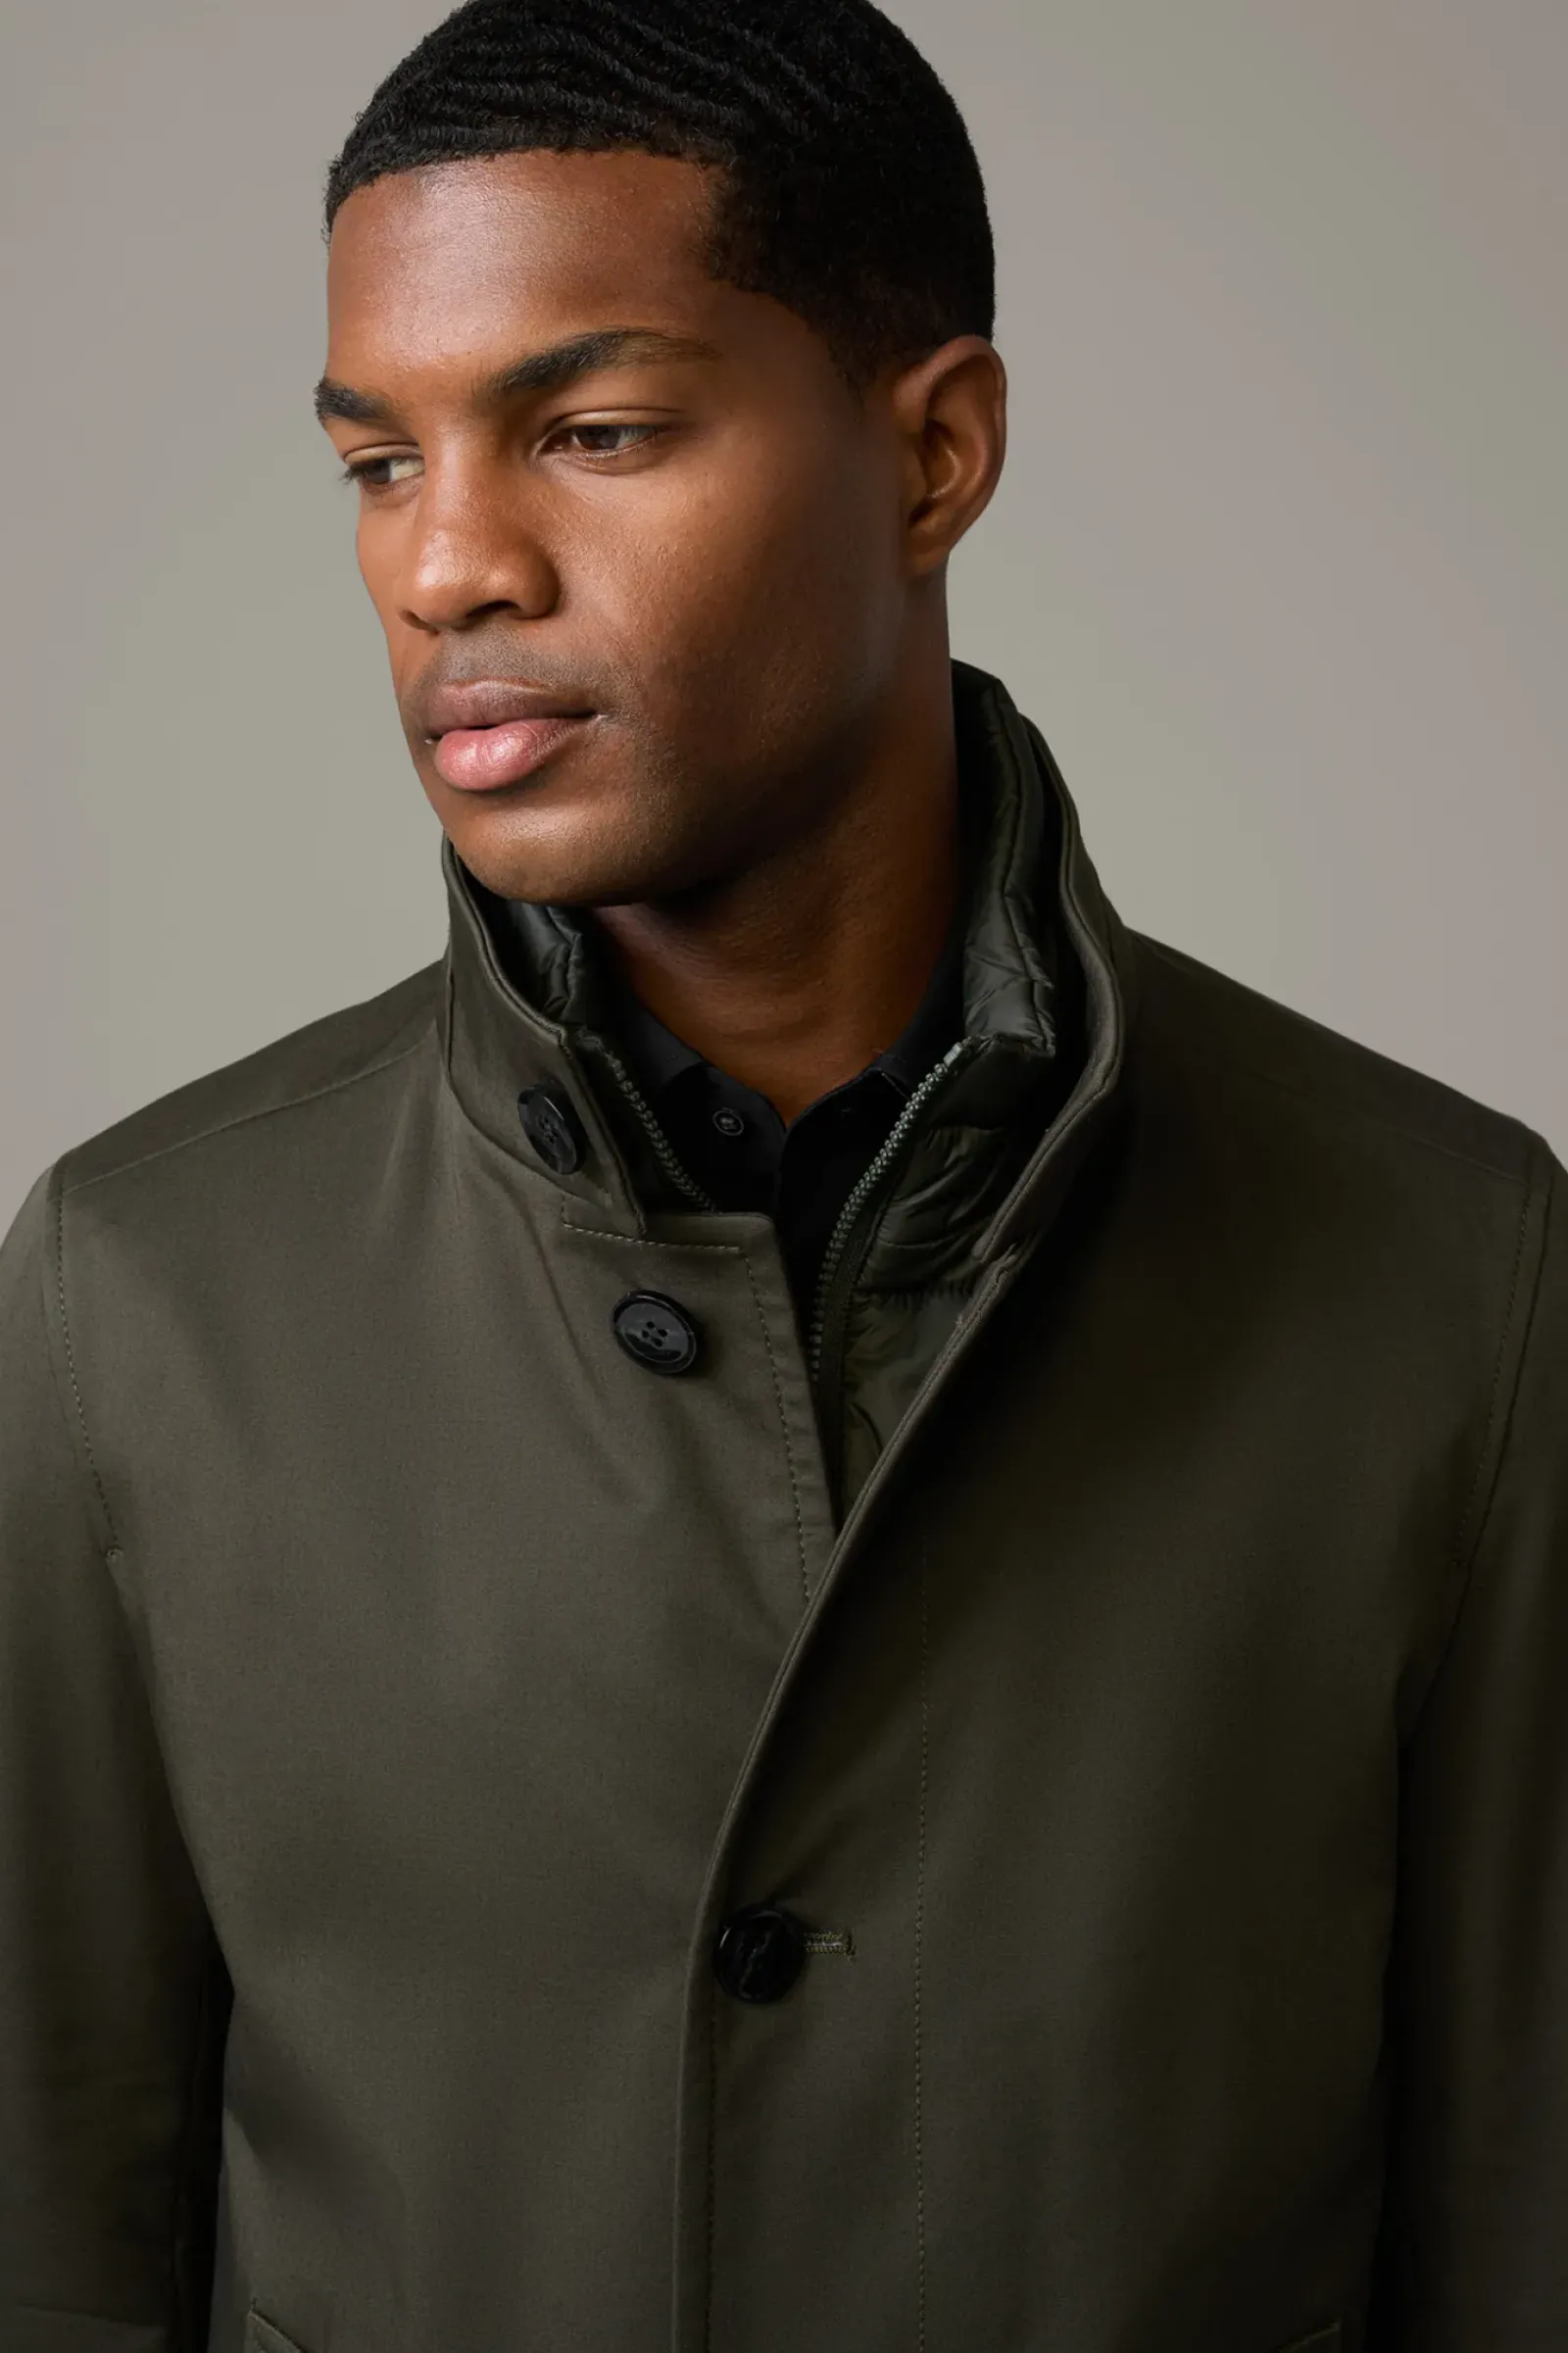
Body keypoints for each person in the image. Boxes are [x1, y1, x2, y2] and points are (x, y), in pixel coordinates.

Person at [1, 1, 1562, 2347]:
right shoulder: (141, 1286)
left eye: (591, 432)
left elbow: (1518, 2219)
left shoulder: (1447, 1268)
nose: (446, 566)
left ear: (931, 454)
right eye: (377, 463)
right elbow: (52, 2223)